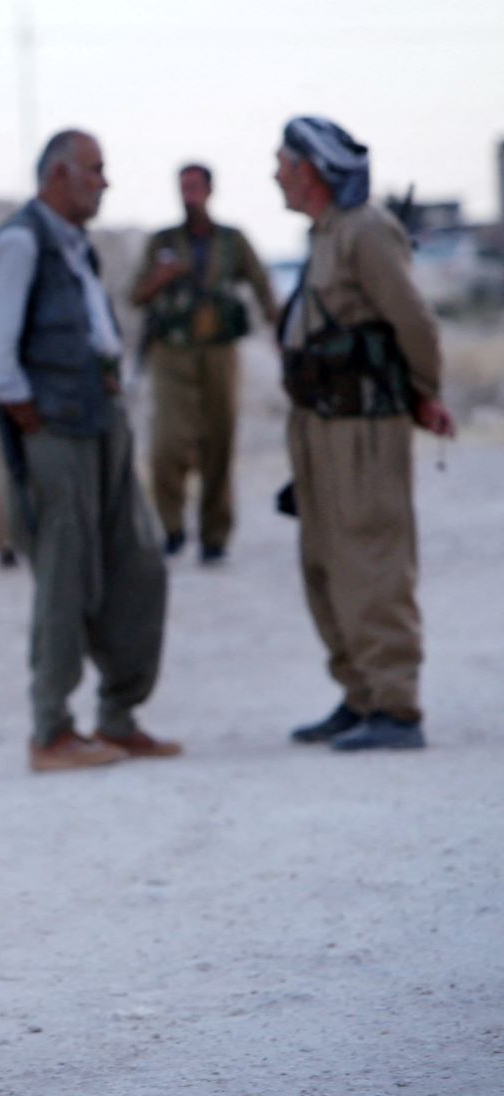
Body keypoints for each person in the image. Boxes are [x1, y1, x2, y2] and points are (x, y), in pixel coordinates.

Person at [0, 130, 181, 773]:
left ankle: (119, 716)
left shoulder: (74, 245)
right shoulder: (21, 240)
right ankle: (51, 730)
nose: (103, 182)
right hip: (54, 431)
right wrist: (29, 415)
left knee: (139, 564)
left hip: (101, 422)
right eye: (94, 170)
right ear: (58, 176)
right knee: (65, 576)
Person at [273, 117, 454, 752]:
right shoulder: (326, 234)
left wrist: (426, 393)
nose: (275, 176)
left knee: (372, 561)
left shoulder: (367, 231)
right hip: (319, 426)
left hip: (363, 430)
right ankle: (360, 694)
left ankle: (397, 708)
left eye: (283, 164)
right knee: (325, 562)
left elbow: (413, 321)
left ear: (310, 172)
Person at [131, 163, 279, 563]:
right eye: (183, 187)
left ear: (210, 190)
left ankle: (215, 536)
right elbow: (135, 294)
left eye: (195, 187)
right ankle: (172, 526)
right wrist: (163, 276)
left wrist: (280, 329)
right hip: (172, 353)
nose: (188, 195)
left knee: (219, 442)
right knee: (168, 445)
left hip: (218, 351)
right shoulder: (163, 241)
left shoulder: (231, 241)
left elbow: (264, 286)